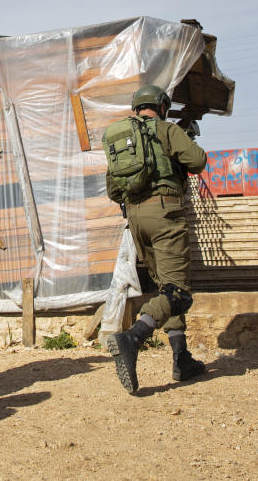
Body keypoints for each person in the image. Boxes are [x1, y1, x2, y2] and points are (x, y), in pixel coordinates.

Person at [104, 85, 207, 394]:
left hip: (135, 219)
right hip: (165, 215)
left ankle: (181, 358)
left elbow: (113, 191)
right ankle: (132, 337)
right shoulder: (166, 129)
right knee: (180, 293)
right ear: (162, 106)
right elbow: (198, 161)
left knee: (164, 287)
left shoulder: (122, 140)